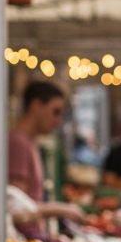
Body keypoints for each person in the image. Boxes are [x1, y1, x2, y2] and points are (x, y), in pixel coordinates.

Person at [8, 81, 83, 234]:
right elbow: (14, 206)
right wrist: (60, 209)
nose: (58, 120)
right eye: (55, 112)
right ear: (36, 105)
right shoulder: (18, 143)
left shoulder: (30, 143)